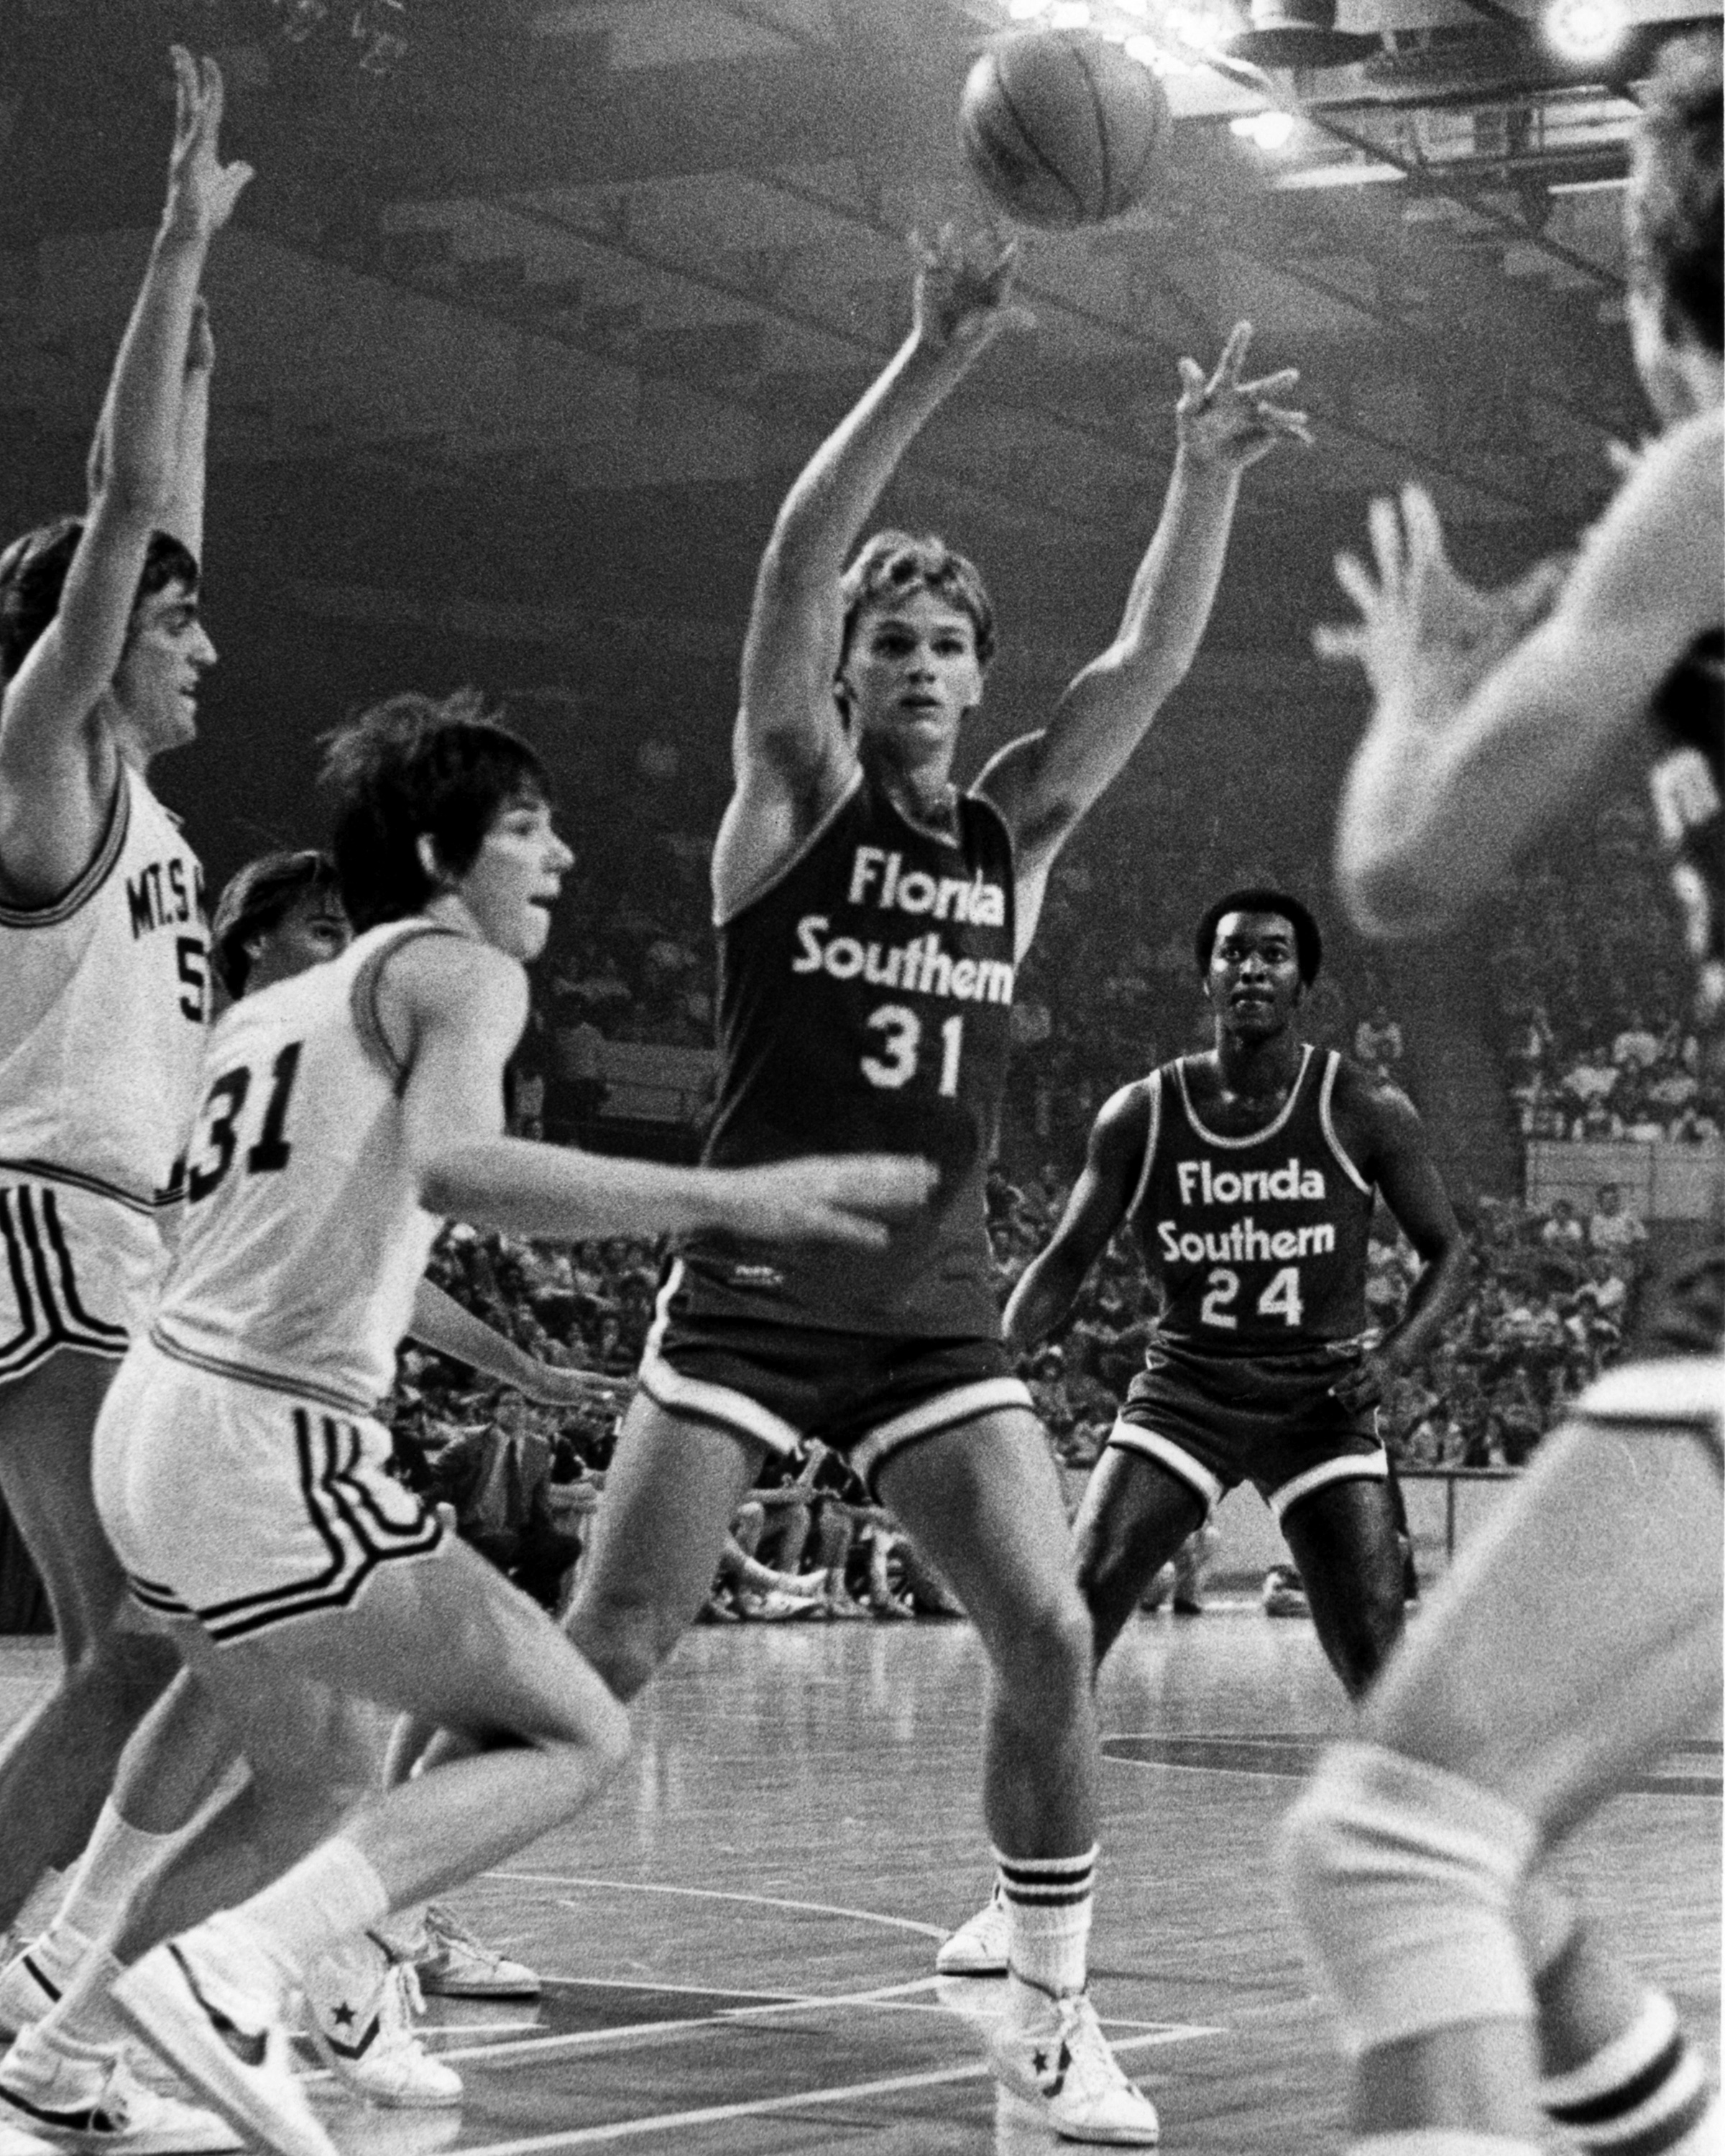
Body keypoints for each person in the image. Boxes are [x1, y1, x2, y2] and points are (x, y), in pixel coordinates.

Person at [558, 227, 1308, 2145]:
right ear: (847, 669)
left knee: (1049, 1636)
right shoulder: (786, 797)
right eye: (886, 637)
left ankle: (1051, 2024)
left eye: (942, 642)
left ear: (977, 681)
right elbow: (792, 564)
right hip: (748, 1293)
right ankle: (359, 1931)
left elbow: (1140, 667)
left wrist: (1201, 475)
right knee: (611, 1658)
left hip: (928, 1317)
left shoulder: (1011, 832)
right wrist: (927, 360)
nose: (909, 659)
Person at [0, 693, 932, 2156]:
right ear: (444, 849)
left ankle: (61, 2048)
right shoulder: (457, 971)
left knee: (311, 1776)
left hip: (156, 1413)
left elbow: (307, 1222)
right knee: (573, 1729)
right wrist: (722, 1197)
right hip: (269, 1435)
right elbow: (456, 1169)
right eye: (529, 827)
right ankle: (240, 1974)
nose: (559, 856)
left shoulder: (271, 1014)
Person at [1281, 35, 1721, 2156]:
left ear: (1654, 306)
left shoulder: (1710, 479)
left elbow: (1406, 866)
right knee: (1488, 1853)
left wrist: (1415, 692)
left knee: (1395, 1846)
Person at [935, 890, 1467, 1971]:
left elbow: (1451, 1254)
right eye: (1232, 953)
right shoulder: (1143, 1111)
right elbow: (1067, 1262)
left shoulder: (1365, 1105)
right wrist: (985, 1357)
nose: (1252, 969)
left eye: (1273, 954)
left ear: (1304, 982)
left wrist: (1394, 1358)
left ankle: (1441, 1889)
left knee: (1378, 1651)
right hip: (1186, 1390)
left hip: (1321, 1402)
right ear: (1206, 977)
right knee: (1066, 1626)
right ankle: (1018, 1897)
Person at [0, 46, 248, 1990]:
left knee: (162, 1643)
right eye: (172, 622)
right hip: (41, 1223)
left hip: (123, 1246)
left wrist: (206, 323)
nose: (202, 644)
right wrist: (164, 246)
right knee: (148, 1645)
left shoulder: (139, 802)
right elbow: (125, 505)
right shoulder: (44, 759)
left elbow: (172, 501)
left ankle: (79, 1949)